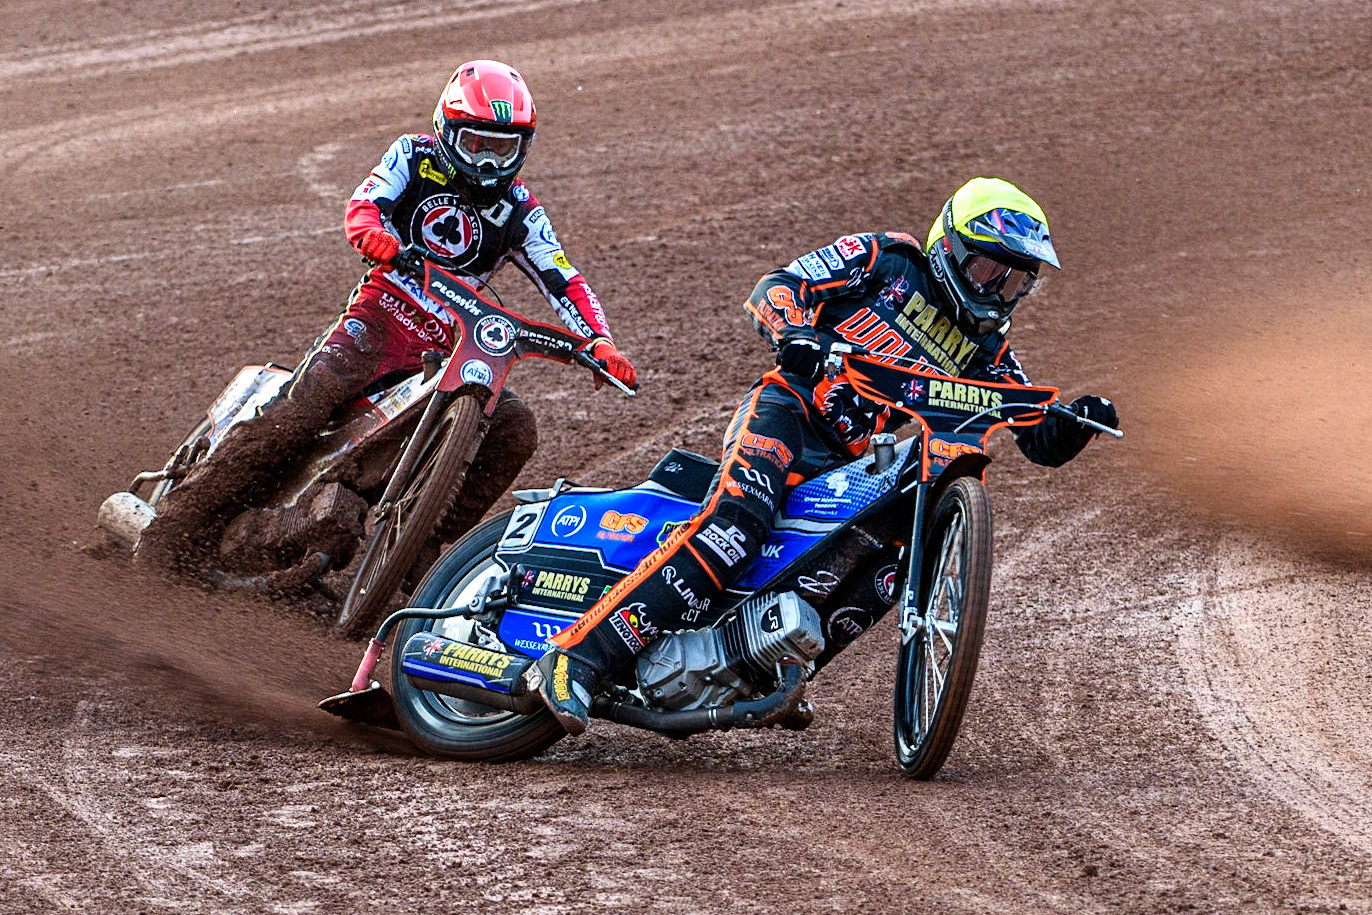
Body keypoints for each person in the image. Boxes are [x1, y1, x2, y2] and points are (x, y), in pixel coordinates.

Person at [528, 176, 1118, 734]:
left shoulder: (987, 347)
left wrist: (1076, 423)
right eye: (990, 268)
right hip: (789, 413)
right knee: (736, 525)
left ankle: (770, 664)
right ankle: (575, 658)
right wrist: (795, 334)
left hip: (853, 468)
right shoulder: (888, 259)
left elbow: (1034, 435)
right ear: (950, 248)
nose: (998, 290)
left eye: (1016, 281)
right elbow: (778, 286)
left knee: (896, 556)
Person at [137, 59, 637, 572]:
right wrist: (373, 233)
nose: (488, 164)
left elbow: (564, 277)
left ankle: (416, 548)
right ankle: (172, 528)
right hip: (379, 319)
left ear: (523, 149)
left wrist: (600, 342)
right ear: (448, 130)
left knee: (514, 427)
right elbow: (365, 202)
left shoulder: (520, 210)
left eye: (502, 149)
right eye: (477, 145)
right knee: (302, 412)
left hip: (447, 351)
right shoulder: (412, 154)